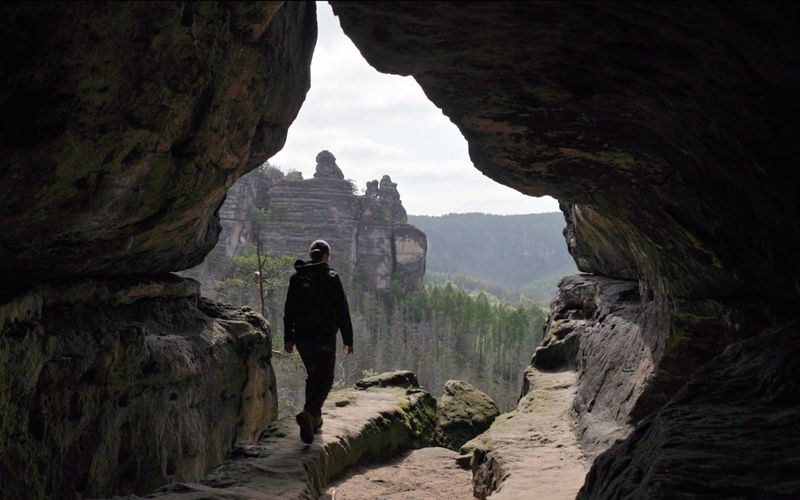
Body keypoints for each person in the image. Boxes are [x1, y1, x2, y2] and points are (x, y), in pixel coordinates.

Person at [283, 239, 354, 444]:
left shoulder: (297, 278)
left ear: (310, 254)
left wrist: (289, 338)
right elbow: (342, 311)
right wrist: (348, 340)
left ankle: (315, 420)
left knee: (313, 376)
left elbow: (289, 311)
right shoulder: (331, 277)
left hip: (303, 338)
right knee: (326, 378)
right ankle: (309, 412)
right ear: (326, 255)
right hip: (324, 338)